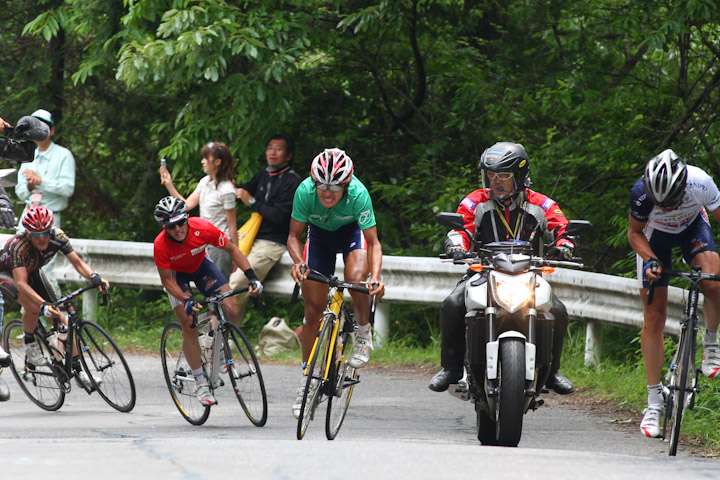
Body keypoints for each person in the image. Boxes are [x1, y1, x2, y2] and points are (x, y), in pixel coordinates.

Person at [428, 142, 576, 395]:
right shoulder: (476, 201)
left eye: (504, 175)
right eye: (491, 175)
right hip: (482, 272)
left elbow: (563, 228)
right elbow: (459, 229)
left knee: (559, 311)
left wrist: (565, 245)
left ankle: (552, 372)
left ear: (519, 176)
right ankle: (451, 368)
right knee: (452, 303)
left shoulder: (541, 203)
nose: (496, 182)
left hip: (528, 275)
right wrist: (456, 246)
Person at [628, 149, 720, 438]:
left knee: (714, 282)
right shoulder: (641, 193)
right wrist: (651, 260)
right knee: (654, 318)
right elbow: (634, 233)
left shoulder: (701, 183)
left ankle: (711, 342)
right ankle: (654, 402)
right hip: (654, 241)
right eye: (660, 203)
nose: (666, 208)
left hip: (693, 229)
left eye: (671, 202)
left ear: (684, 187)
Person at [287, 148, 385, 419]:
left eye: (334, 187)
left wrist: (374, 276)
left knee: (356, 280)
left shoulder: (358, 194)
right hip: (319, 237)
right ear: (313, 182)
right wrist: (298, 262)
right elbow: (294, 237)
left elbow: (374, 242)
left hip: (351, 233)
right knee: (312, 310)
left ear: (347, 185)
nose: (327, 193)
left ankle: (363, 334)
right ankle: (308, 380)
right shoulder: (305, 192)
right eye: (322, 186)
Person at [152, 196, 263, 406]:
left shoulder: (202, 228)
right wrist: (185, 298)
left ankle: (215, 348)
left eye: (180, 222)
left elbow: (232, 250)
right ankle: (201, 382)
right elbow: (167, 281)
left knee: (231, 308)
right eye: (171, 226)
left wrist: (252, 277)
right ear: (163, 227)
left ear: (188, 218)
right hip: (177, 277)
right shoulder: (160, 245)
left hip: (201, 265)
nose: (177, 229)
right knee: (189, 323)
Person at [0, 206, 109, 390]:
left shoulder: (57, 236)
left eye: (45, 232)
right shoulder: (19, 246)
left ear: (50, 229)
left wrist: (94, 277)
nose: (41, 238)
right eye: (36, 234)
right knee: (35, 308)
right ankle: (30, 344)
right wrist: (42, 304)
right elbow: (21, 283)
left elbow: (77, 262)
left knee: (60, 316)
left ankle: (79, 372)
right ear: (28, 234)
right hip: (8, 275)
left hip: (33, 271)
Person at [229, 135, 301, 322]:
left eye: (278, 148)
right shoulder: (263, 175)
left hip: (272, 243)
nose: (272, 152)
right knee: (226, 281)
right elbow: (242, 191)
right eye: (270, 148)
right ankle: (223, 337)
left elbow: (278, 216)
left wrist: (251, 201)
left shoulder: (292, 182)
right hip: (250, 239)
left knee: (237, 283)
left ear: (289, 155)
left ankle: (223, 337)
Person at [14, 109, 76, 293]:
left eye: (43, 127)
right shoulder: (27, 155)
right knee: (20, 269)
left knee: (44, 271)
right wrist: (30, 187)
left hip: (49, 219)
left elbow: (67, 189)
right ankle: (34, 318)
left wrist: (41, 181)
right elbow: (19, 191)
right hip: (27, 216)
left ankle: (58, 316)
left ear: (52, 130)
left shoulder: (64, 155)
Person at [159, 142, 237, 279]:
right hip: (203, 242)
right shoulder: (204, 182)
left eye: (206, 158)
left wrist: (235, 253)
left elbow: (232, 225)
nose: (203, 162)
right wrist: (169, 184)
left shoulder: (227, 189)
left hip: (219, 245)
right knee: (208, 286)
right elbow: (186, 206)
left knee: (219, 289)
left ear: (218, 162)